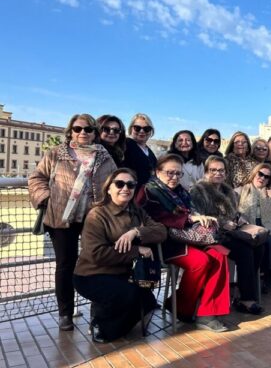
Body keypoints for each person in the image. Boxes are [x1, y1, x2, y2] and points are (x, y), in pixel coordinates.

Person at [28, 113, 117, 331]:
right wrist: (47, 199)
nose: (83, 133)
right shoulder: (56, 154)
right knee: (65, 265)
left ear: (95, 133)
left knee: (97, 263)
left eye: (88, 129)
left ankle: (97, 309)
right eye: (78, 129)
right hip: (61, 218)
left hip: (93, 219)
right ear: (71, 131)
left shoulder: (104, 156)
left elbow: (115, 182)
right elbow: (36, 178)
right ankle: (65, 313)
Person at [135, 154, 230, 332]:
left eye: (179, 174)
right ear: (157, 172)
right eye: (170, 173)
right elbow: (156, 217)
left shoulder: (182, 192)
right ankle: (181, 306)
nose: (175, 178)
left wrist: (202, 220)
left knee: (219, 254)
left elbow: (193, 212)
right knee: (201, 261)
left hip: (190, 238)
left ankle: (207, 314)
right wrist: (189, 218)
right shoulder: (148, 191)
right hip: (165, 243)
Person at [73, 169, 167, 343]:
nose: (126, 188)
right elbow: (96, 254)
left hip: (121, 274)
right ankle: (101, 327)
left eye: (130, 185)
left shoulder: (137, 211)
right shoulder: (97, 215)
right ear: (108, 188)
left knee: (148, 301)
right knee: (129, 295)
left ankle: (112, 320)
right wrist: (136, 251)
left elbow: (161, 231)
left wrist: (136, 231)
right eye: (120, 184)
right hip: (92, 274)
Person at [190, 156, 267, 315]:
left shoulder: (228, 191)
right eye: (213, 170)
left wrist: (239, 219)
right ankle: (246, 299)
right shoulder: (198, 190)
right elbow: (198, 217)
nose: (217, 173)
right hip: (211, 235)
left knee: (259, 244)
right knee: (245, 250)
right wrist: (222, 223)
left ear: (226, 173)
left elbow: (234, 213)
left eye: (221, 170)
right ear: (206, 172)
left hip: (231, 232)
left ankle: (242, 292)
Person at [123, 113, 157, 186]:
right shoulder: (125, 145)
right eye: (137, 128)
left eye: (146, 129)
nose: (142, 131)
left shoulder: (149, 152)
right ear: (131, 129)